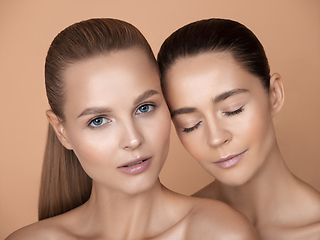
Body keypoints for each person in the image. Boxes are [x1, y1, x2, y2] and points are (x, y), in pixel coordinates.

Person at [5, 18, 257, 240]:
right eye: (98, 121)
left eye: (144, 108)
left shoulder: (221, 234)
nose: (133, 139)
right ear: (62, 131)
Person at [157, 18, 320, 239]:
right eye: (190, 125)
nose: (215, 138)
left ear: (274, 94)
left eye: (233, 110)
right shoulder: (172, 232)